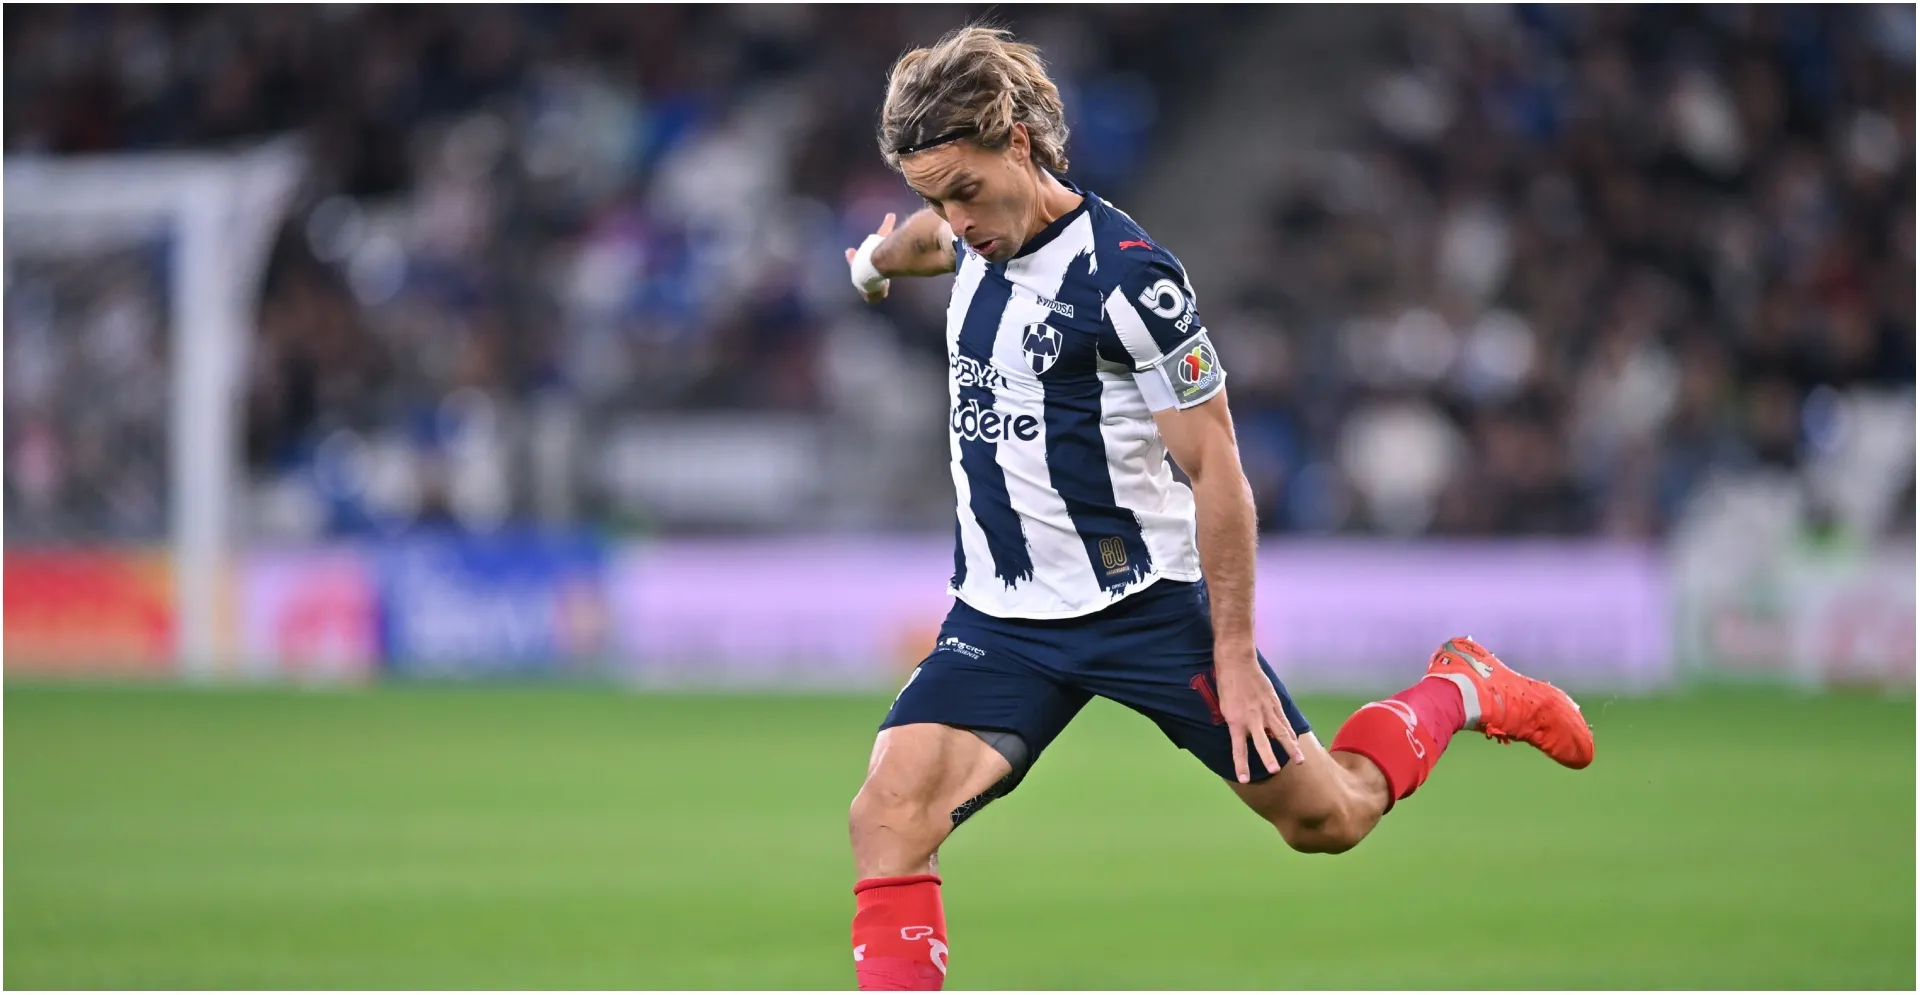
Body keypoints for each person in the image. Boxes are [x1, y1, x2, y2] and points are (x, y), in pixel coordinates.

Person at [841, 26, 1593, 991]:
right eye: (931, 194)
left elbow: (1221, 474)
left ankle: (1463, 686)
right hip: (1004, 618)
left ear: (1020, 144)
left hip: (1147, 609)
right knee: (888, 817)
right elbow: (925, 241)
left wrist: (1234, 661)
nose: (953, 216)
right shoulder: (966, 230)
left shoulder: (1133, 282)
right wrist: (872, 262)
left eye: (965, 190)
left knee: (1330, 819)